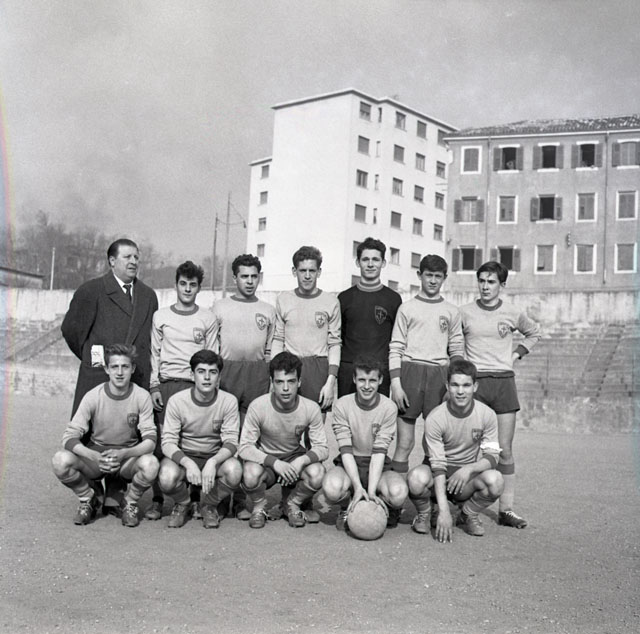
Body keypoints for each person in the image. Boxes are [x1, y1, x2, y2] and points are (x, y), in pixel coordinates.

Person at [459, 261, 541, 529]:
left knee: (504, 450)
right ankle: (462, 504)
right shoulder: (464, 313)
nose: (485, 286)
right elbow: (453, 342)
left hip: (504, 383)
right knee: (469, 448)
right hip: (476, 385)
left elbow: (534, 333)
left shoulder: (513, 313)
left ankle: (506, 510)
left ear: (502, 285)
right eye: (481, 281)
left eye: (491, 282)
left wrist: (516, 355)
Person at [388, 254, 464, 525]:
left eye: (438, 276)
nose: (432, 280)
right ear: (419, 275)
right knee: (404, 443)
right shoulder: (407, 308)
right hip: (410, 373)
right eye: (428, 275)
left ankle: (428, 505)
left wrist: (451, 383)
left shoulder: (451, 311)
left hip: (438, 376)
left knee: (433, 445)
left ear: (444, 278)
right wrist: (396, 383)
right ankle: (395, 503)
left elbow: (456, 349)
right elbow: (396, 347)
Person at [51, 344, 159, 528]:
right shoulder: (93, 396)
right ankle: (88, 497)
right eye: (114, 367)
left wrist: (124, 453)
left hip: (126, 458)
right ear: (107, 369)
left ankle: (130, 503)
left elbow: (150, 441)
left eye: (125, 367)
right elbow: (69, 437)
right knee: (60, 461)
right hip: (97, 456)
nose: (120, 372)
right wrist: (93, 455)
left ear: (132, 368)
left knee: (151, 464)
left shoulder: (142, 396)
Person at [270, 245, 341, 521]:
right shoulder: (284, 299)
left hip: (318, 367)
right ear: (294, 271)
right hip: (289, 366)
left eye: (312, 270)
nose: (308, 275)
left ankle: (305, 499)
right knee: (286, 434)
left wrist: (330, 380)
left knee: (314, 436)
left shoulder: (330, 302)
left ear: (319, 271)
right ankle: (285, 498)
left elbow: (335, 342)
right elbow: (277, 338)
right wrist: (275, 374)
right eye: (303, 270)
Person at [145, 261, 217, 521]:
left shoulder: (207, 318)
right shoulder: (161, 316)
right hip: (167, 385)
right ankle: (157, 499)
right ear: (175, 285)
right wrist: (154, 385)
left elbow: (212, 356)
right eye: (183, 284)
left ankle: (194, 499)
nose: (187, 289)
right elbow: (153, 354)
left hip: (194, 386)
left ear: (199, 288)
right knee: (161, 443)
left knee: (192, 442)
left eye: (192, 285)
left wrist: (208, 389)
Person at [407, 359, 504, 540]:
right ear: (447, 386)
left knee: (496, 481)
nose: (460, 391)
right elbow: (437, 465)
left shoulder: (487, 414)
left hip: (465, 478)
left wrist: (469, 469)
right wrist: (444, 512)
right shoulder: (435, 417)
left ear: (475, 387)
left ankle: (468, 513)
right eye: (455, 385)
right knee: (415, 479)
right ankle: (426, 512)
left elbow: (493, 456)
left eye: (466, 385)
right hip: (437, 474)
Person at [211, 253, 276, 519]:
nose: (249, 281)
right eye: (244, 276)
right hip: (228, 371)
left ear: (259, 278)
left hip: (256, 373)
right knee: (225, 433)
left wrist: (268, 377)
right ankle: (219, 496)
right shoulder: (219, 307)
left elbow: (270, 349)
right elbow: (212, 345)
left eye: (254, 276)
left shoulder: (268, 310)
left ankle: (240, 499)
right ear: (235, 278)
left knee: (249, 436)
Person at [61, 238, 158, 416]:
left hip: (136, 379)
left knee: (132, 429)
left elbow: (150, 339)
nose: (133, 262)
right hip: (99, 377)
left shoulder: (148, 296)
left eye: (136, 257)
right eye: (127, 257)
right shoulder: (91, 290)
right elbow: (71, 331)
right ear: (112, 261)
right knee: (94, 428)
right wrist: (94, 357)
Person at [238, 352, 328, 529]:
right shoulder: (258, 406)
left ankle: (291, 504)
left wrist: (301, 461)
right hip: (266, 459)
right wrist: (275, 463)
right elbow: (245, 447)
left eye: (291, 381)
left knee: (318, 472)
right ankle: (259, 507)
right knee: (249, 473)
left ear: (299, 382)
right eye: (279, 382)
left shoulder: (310, 408)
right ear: (272, 383)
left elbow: (323, 448)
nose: (285, 388)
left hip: (293, 457)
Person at [322, 356, 408, 532]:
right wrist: (358, 486)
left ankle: (383, 504)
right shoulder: (342, 405)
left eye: (372, 380)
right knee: (331, 487)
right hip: (349, 462)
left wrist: (371, 491)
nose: (367, 386)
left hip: (378, 465)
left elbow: (379, 452)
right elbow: (345, 450)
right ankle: (347, 505)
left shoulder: (389, 407)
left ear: (380, 380)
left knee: (398, 493)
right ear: (354, 379)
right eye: (362, 380)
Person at [159, 350, 242, 528]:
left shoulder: (228, 401)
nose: (207, 377)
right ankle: (184, 502)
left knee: (234, 471)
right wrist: (187, 463)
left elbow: (231, 442)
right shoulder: (177, 401)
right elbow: (167, 443)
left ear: (219, 376)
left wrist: (213, 462)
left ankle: (208, 504)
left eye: (213, 372)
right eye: (201, 371)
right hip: (185, 455)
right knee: (166, 477)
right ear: (192, 375)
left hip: (213, 455)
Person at [338, 237, 401, 398]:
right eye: (365, 259)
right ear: (357, 262)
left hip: (379, 372)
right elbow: (338, 339)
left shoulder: (393, 299)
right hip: (349, 371)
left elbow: (396, 341)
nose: (370, 264)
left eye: (375, 259)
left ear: (383, 263)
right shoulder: (344, 298)